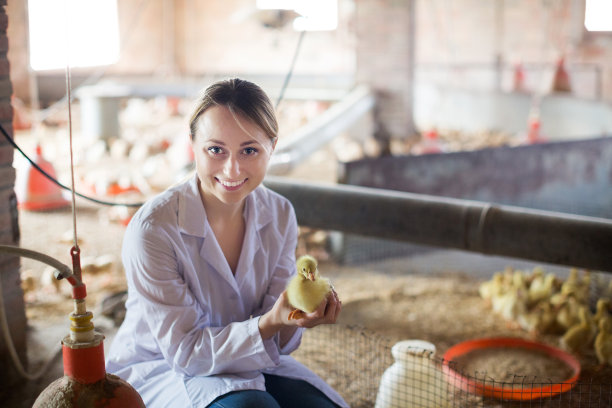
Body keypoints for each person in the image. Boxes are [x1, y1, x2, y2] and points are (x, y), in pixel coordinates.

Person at [106, 78, 347, 408]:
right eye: (215, 150)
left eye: (249, 150)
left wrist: (298, 315)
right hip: (166, 368)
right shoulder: (153, 230)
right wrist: (271, 322)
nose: (232, 169)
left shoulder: (279, 214)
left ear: (272, 147)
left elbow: (279, 331)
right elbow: (186, 353)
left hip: (251, 358)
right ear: (192, 144)